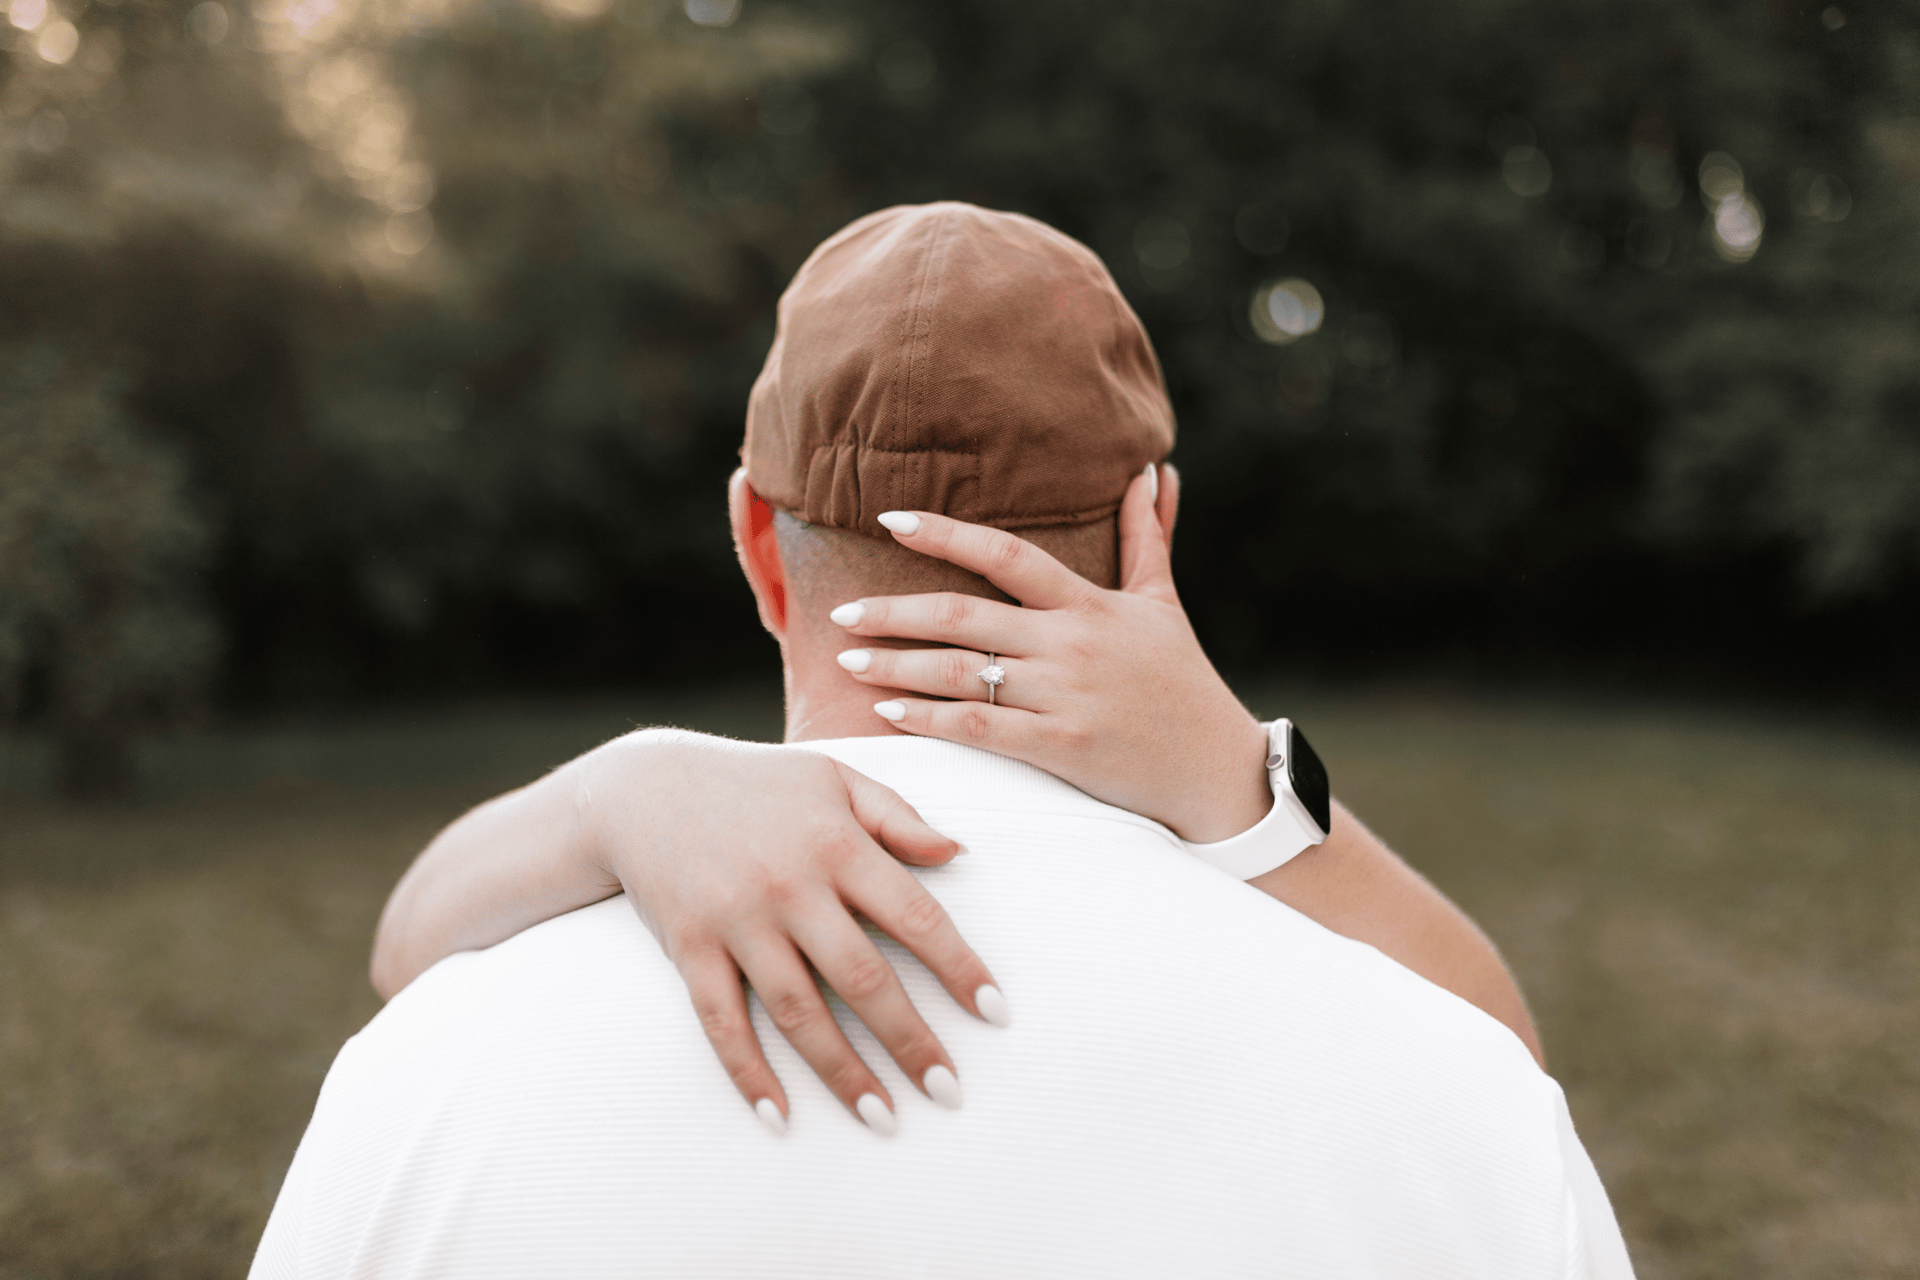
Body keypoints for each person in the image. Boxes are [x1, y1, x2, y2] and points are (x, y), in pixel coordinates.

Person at [251, 203, 1635, 1279]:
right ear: (1153, 525)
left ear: (757, 542)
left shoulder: (428, 1075)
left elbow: (402, 954)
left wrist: (613, 786)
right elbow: (1502, 1062)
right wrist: (1244, 786)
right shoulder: (1449, 1096)